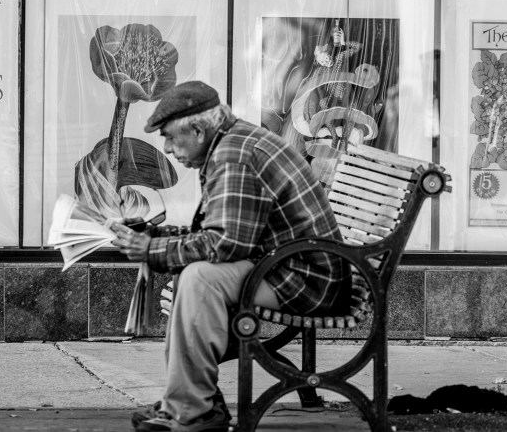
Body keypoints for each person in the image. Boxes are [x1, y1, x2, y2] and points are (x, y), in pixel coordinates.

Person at [111, 80, 348, 432]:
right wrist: (155, 235)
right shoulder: (233, 142)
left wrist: (150, 250)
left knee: (199, 279)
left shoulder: (234, 154)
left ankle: (193, 410)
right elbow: (226, 234)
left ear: (197, 128)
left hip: (306, 281)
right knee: (193, 276)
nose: (167, 147)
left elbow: (225, 245)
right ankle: (194, 402)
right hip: (287, 266)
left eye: (171, 137)